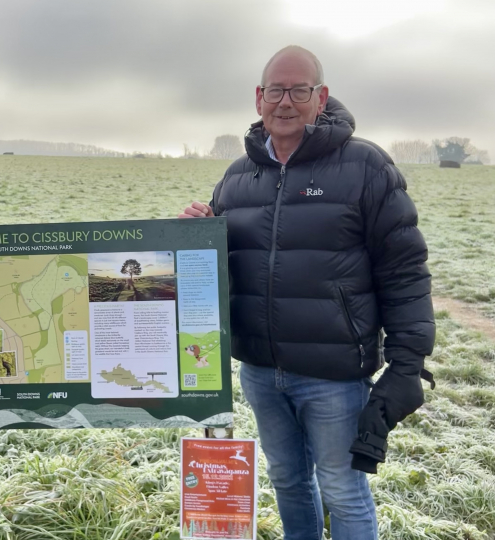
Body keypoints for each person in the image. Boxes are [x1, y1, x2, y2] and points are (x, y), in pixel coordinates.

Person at [180, 45, 435, 539]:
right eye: (275, 90)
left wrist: (407, 364)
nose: (286, 101)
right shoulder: (237, 177)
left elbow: (404, 272)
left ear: (321, 98)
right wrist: (194, 233)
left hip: (334, 376)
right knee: (288, 481)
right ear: (258, 98)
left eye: (300, 90)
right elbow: (221, 264)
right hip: (259, 370)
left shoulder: (365, 167)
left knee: (342, 489)